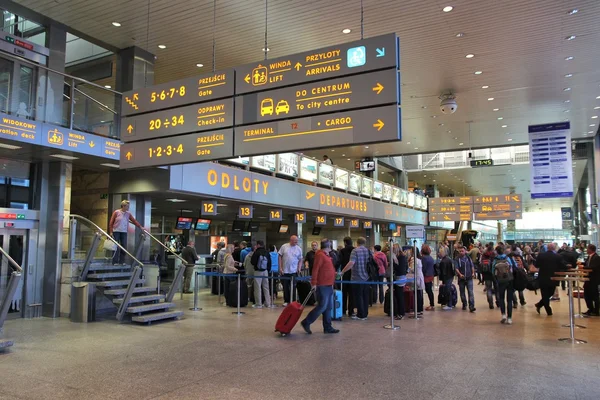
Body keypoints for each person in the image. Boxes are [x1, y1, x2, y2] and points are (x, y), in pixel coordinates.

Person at [300, 238, 340, 334]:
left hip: (329, 284)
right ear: (329, 246)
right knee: (322, 306)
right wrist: (314, 283)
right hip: (322, 285)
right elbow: (315, 269)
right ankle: (306, 322)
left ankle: (327, 327)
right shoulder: (320, 255)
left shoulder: (326, 255)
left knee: (328, 307)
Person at [341, 237, 370, 320]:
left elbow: (351, 262)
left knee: (358, 296)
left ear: (357, 242)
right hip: (366, 277)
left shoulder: (355, 251)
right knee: (365, 296)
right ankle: (365, 313)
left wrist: (343, 271)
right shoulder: (368, 250)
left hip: (357, 277)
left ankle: (360, 314)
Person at [108, 200, 143, 265]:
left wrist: (140, 227)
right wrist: (111, 231)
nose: (128, 208)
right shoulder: (116, 212)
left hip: (124, 231)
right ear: (123, 206)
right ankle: (115, 261)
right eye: (127, 206)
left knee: (123, 246)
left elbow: (134, 221)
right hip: (116, 231)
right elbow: (111, 222)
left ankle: (122, 261)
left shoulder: (128, 214)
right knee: (115, 246)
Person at [533, 243, 564, 316]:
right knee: (550, 293)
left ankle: (539, 304)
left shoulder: (541, 255)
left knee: (545, 294)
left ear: (547, 248)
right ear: (554, 248)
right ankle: (548, 311)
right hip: (553, 278)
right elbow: (562, 265)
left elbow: (536, 265)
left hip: (543, 277)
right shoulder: (558, 256)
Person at [492, 245, 515, 324]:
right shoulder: (508, 258)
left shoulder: (495, 260)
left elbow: (492, 271)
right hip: (509, 280)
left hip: (501, 281)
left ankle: (503, 315)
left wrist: (496, 279)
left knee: (501, 298)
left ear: (497, 252)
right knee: (509, 300)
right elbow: (513, 267)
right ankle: (509, 318)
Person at [278, 235, 303, 306]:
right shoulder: (284, 246)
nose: (296, 242)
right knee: (285, 287)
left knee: (293, 287)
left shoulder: (298, 249)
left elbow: (301, 259)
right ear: (291, 240)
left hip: (294, 271)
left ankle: (293, 301)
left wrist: (299, 268)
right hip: (285, 271)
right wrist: (280, 267)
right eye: (295, 241)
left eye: (297, 241)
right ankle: (286, 300)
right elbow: (280, 256)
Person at [250, 240, 271, 309]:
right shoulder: (267, 252)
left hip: (258, 271)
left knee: (257, 287)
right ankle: (268, 303)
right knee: (266, 287)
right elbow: (269, 262)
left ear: (258, 245)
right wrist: (267, 270)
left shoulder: (256, 252)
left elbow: (252, 262)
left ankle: (258, 304)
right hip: (265, 271)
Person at [454, 246, 476, 312]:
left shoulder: (468, 258)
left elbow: (472, 266)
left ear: (465, 251)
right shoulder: (457, 259)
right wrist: (460, 274)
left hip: (469, 278)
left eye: (462, 251)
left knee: (470, 292)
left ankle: (471, 306)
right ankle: (464, 303)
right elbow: (456, 268)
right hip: (461, 279)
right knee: (462, 293)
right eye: (460, 251)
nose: (461, 252)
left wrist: (473, 273)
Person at [339, 237, 355, 317]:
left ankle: (343, 309)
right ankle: (351, 311)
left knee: (344, 293)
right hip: (353, 274)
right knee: (352, 293)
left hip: (344, 274)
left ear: (345, 242)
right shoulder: (354, 250)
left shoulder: (342, 251)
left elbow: (339, 261)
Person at [583, 244, 600, 316]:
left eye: (587, 249)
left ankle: (596, 311)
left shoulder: (596, 257)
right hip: (588, 278)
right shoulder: (589, 257)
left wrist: (584, 268)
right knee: (587, 294)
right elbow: (587, 264)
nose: (586, 250)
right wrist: (581, 264)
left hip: (594, 279)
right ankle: (590, 309)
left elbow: (593, 267)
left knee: (594, 295)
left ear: (590, 249)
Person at [481, 244, 498, 309]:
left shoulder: (484, 255)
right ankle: (498, 302)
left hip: (486, 274)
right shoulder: (495, 255)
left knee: (488, 289)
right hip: (495, 274)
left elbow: (481, 264)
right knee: (497, 289)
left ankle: (490, 303)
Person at [408, 250, 424, 316]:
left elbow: (412, 269)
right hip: (419, 277)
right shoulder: (419, 259)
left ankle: (417, 310)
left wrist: (408, 267)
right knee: (419, 294)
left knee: (416, 294)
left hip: (416, 278)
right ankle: (419, 309)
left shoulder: (413, 260)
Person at [421, 244, 436, 311]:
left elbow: (423, 268)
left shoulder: (423, 258)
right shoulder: (430, 258)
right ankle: (432, 304)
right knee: (429, 290)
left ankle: (431, 304)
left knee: (427, 290)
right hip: (431, 275)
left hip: (426, 276)